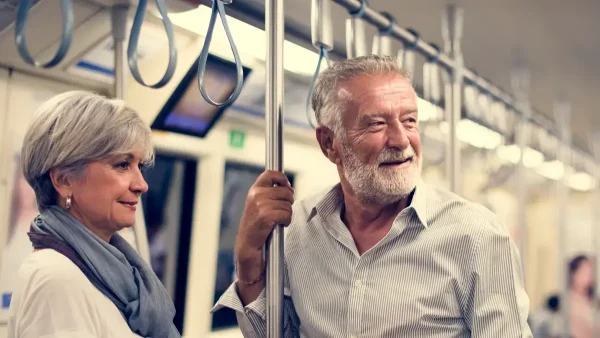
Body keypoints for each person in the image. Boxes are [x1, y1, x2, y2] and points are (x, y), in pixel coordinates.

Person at [212, 55, 532, 337]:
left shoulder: (477, 236)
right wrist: (248, 254)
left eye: (409, 120)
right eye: (377, 124)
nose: (400, 139)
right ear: (329, 143)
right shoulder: (296, 232)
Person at [7, 91, 180, 338]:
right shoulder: (56, 277)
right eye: (122, 164)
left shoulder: (117, 271)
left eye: (138, 167)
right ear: (64, 179)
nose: (142, 184)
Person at [568, 255, 595, 338]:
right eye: (584, 273)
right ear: (574, 274)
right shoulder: (568, 301)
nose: (588, 278)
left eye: (590, 273)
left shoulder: (591, 300)